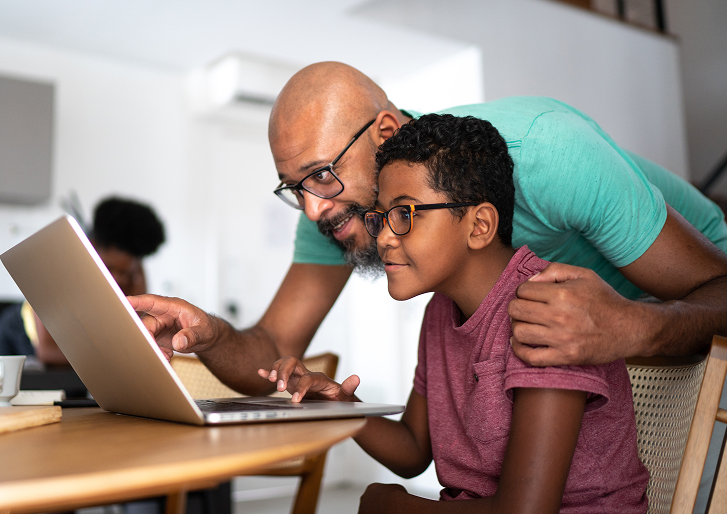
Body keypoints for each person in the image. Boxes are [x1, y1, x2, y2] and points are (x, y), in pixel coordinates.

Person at [130, 61, 727, 396]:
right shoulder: (342, 210)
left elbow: (718, 293)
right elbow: (271, 349)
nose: (313, 210)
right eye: (295, 188)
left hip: (678, 307)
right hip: (582, 352)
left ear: (385, 134)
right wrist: (210, 335)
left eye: (320, 175)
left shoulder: (546, 154)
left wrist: (634, 327)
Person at [260, 113, 648, 513]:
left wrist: (396, 507)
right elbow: (413, 450)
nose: (385, 238)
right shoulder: (440, 311)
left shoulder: (549, 311)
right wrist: (337, 405)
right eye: (381, 217)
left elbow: (525, 510)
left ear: (479, 226)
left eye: (405, 214)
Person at [0, 195, 166, 363]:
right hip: (21, 336)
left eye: (126, 272)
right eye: (109, 268)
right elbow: (47, 352)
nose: (118, 279)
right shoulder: (60, 274)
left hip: (80, 346)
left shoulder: (134, 275)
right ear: (91, 245)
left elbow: (130, 333)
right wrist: (114, 357)